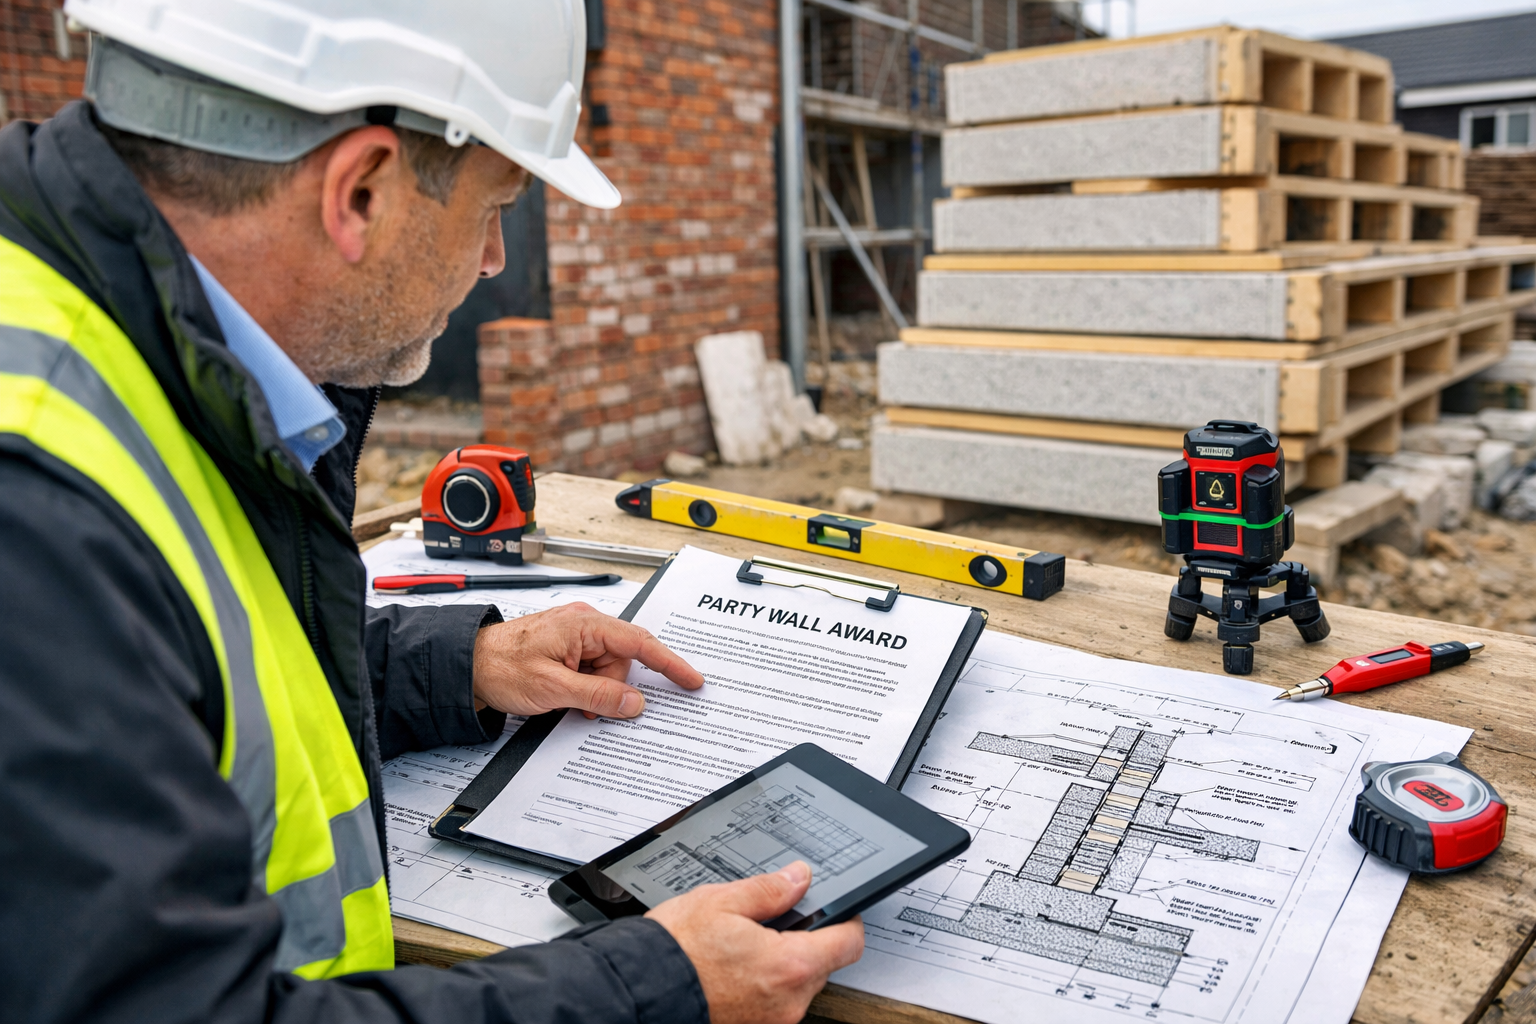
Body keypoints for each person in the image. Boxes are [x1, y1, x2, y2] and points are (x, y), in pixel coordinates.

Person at [0, 3, 864, 1022]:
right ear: (360, 190)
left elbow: (184, 674)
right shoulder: (37, 509)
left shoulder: (111, 342)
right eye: (497, 205)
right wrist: (652, 988)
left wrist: (459, 666)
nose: (496, 258)